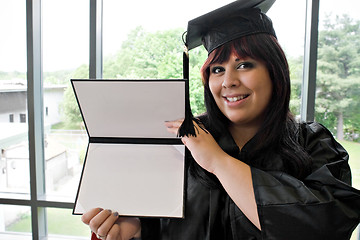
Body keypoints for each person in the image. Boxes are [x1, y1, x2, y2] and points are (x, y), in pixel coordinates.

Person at [81, 0, 360, 239]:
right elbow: (160, 226)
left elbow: (325, 226)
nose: (228, 81)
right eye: (217, 69)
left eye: (244, 65)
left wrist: (217, 161)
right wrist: (137, 230)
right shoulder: (182, 143)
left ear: (275, 71)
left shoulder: (313, 143)